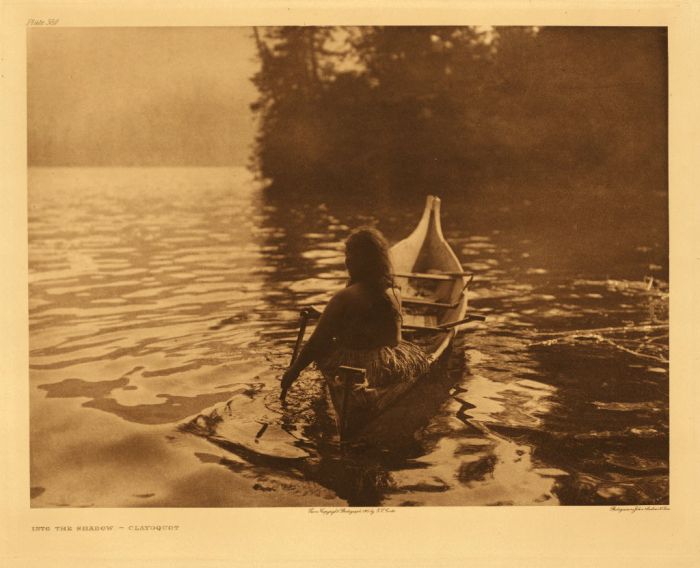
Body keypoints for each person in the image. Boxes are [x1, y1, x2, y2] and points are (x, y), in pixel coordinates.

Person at [280, 227, 429, 402]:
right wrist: (322, 315)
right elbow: (376, 329)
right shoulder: (393, 292)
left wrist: (293, 372)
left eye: (351, 255)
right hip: (386, 363)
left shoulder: (344, 297)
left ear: (363, 261)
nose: (347, 261)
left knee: (324, 349)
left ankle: (357, 398)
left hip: (354, 364)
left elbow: (316, 343)